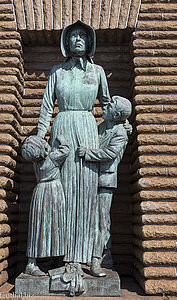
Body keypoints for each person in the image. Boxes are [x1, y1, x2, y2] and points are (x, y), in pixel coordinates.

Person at [36, 20, 111, 269]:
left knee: (87, 194)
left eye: (82, 36)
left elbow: (108, 107)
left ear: (89, 42)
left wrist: (120, 126)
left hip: (88, 129)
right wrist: (39, 137)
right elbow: (47, 107)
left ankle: (84, 256)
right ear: (66, 42)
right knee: (63, 194)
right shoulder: (58, 72)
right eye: (73, 36)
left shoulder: (97, 72)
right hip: (63, 129)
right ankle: (63, 255)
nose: (78, 39)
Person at [77, 96, 132, 276]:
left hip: (105, 181)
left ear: (116, 114)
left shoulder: (120, 133)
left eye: (111, 104)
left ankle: (96, 261)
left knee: (101, 222)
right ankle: (99, 257)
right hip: (90, 177)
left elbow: (109, 153)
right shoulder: (102, 126)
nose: (106, 105)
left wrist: (87, 153)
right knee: (91, 220)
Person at [22, 135, 70, 276]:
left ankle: (46, 259)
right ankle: (32, 264)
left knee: (39, 227)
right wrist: (61, 139)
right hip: (53, 192)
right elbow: (66, 150)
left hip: (40, 193)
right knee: (54, 226)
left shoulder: (36, 162)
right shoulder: (51, 158)